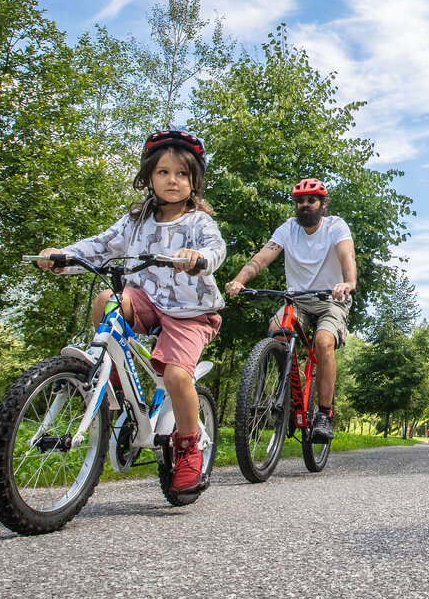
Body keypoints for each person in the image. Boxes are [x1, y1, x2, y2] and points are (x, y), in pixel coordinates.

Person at [35, 128, 225, 495]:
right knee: (106, 297)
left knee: (175, 375)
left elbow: (217, 250)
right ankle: (116, 383)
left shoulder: (199, 222)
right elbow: (100, 246)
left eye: (183, 174)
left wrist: (197, 258)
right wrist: (64, 256)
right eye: (163, 172)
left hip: (191, 311)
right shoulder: (136, 220)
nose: (173, 181)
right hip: (148, 301)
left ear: (195, 181)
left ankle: (186, 448)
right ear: (149, 177)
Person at [224, 178, 355, 442]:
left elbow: (346, 255)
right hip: (297, 300)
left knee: (323, 341)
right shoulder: (288, 229)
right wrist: (239, 280)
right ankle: (284, 389)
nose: (305, 205)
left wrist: (348, 282)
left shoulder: (335, 226)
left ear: (323, 204)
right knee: (276, 331)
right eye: (300, 201)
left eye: (311, 200)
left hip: (331, 298)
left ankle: (324, 414)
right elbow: (262, 257)